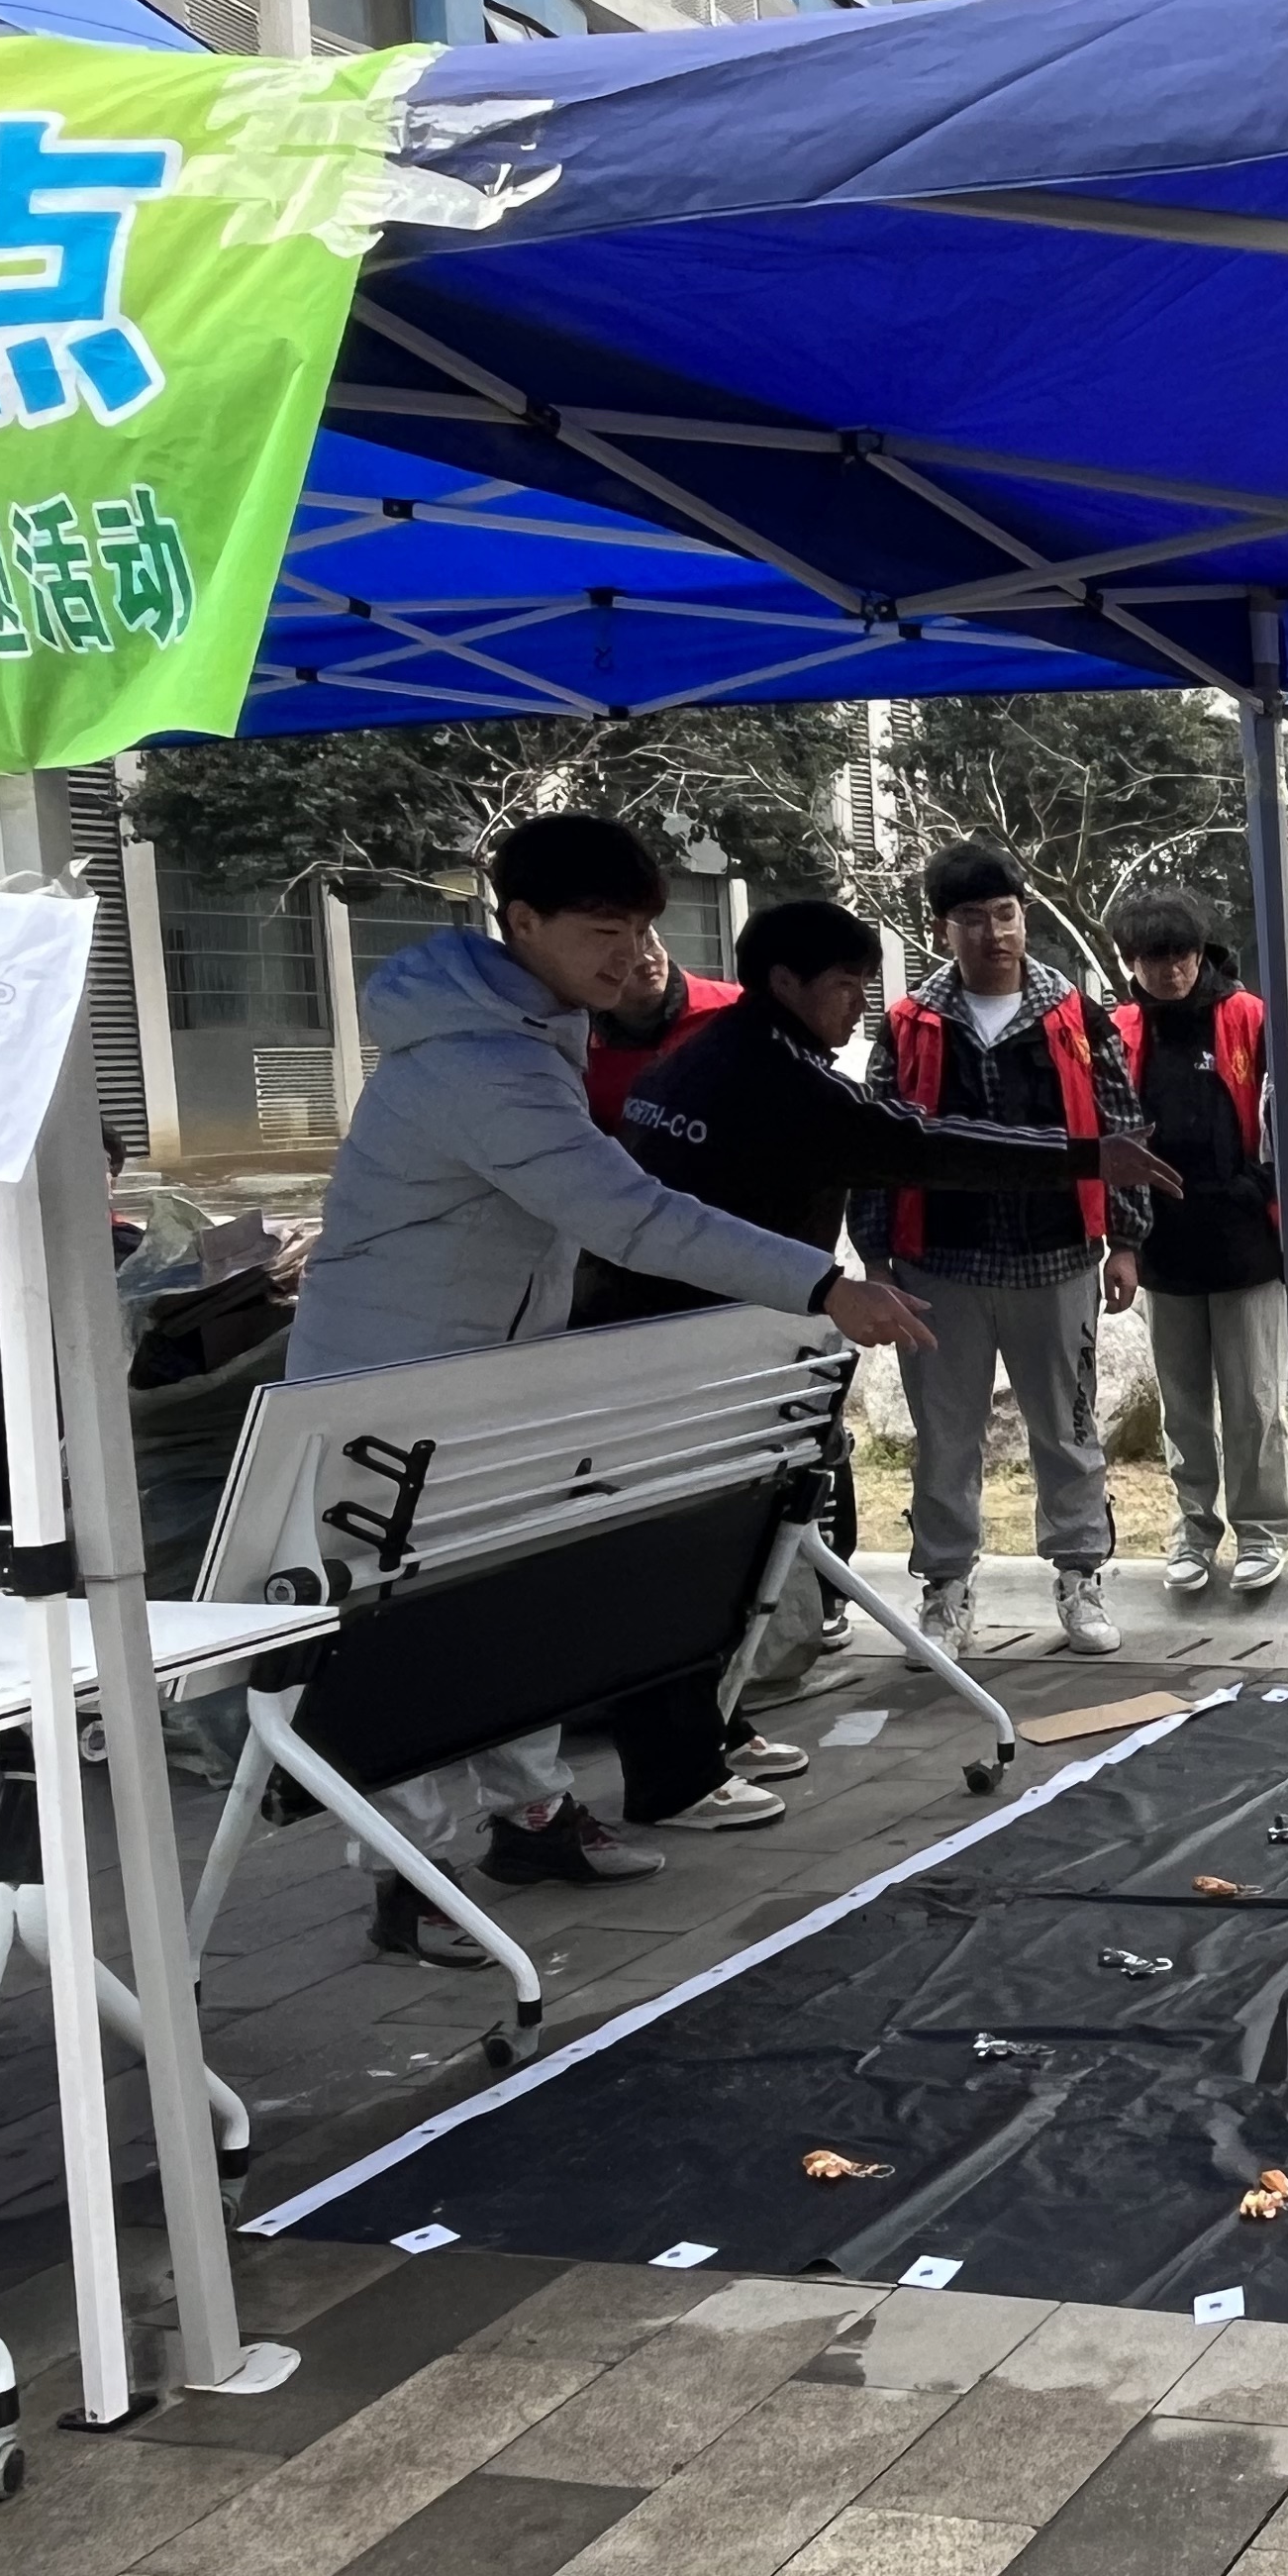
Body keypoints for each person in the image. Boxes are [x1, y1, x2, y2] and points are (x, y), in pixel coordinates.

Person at [285, 814, 930, 1950]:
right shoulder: (479, 1060)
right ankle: (409, 1874)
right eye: (601, 932)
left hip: (491, 1369)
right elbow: (624, 1213)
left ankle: (531, 1815)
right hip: (389, 1386)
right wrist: (820, 1286)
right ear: (522, 921)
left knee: (512, 1594)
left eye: (639, 929)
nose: (630, 957)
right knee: (404, 1627)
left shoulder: (529, 1023)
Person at [596, 899, 1186, 1827]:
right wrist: (1083, 1157)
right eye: (844, 987)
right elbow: (917, 1143)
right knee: (690, 1550)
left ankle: (711, 1724)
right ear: (785, 982)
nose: (857, 1007)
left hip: (709, 1332)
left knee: (717, 1541)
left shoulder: (724, 1053)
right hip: (687, 1345)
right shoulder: (765, 1074)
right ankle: (673, 1772)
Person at [856, 842, 1150, 1658]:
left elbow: (1122, 1129)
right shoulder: (911, 1022)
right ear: (941, 929)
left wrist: (1125, 1241)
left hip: (1055, 1258)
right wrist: (874, 1259)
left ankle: (1080, 1574)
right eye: (972, 918)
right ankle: (946, 1587)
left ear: (1025, 915)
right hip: (938, 1264)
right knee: (944, 1435)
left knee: (1067, 1428)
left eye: (1006, 914)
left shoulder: (1076, 1015)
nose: (993, 933)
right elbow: (873, 1148)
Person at [1108, 891, 1288, 1599]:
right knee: (1183, 1407)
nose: (1169, 969)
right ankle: (1194, 1530)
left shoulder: (1250, 1018)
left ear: (1202, 954)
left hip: (1246, 1247)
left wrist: (1252, 1186)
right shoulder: (1121, 1030)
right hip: (1163, 1250)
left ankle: (1263, 1530)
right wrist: (1123, 1238)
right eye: (1152, 957)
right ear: (1131, 962)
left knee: (1255, 1401)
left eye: (1181, 954)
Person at [583, 921, 741, 1134]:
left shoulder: (733, 1008)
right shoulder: (575, 1047)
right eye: (626, 954)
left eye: (649, 942)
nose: (646, 960)